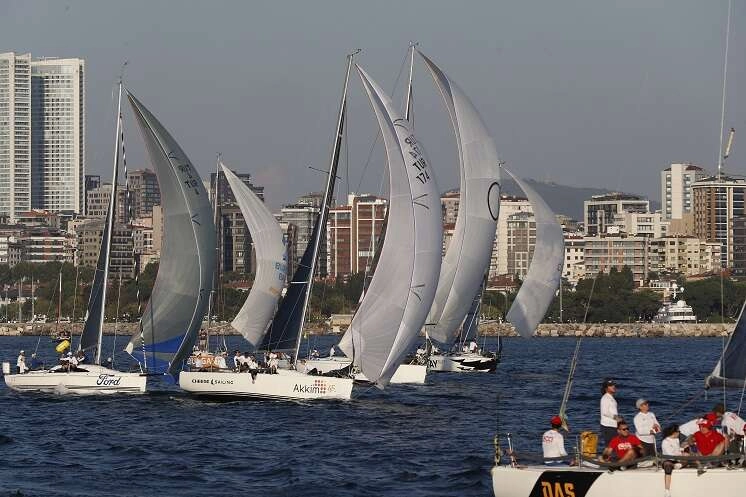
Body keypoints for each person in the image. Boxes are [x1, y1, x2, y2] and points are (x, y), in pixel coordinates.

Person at [661, 424, 688, 497]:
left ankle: (678, 465)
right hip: (668, 459)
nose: (679, 433)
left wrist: (683, 449)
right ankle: (667, 490)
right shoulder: (665, 441)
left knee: (688, 457)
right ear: (674, 432)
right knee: (668, 465)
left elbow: (677, 450)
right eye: (678, 431)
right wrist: (681, 455)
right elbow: (670, 455)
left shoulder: (676, 440)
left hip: (677, 459)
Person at [599, 378, 621, 447]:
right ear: (606, 388)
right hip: (608, 426)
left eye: (614, 385)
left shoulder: (610, 398)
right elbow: (605, 412)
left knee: (612, 446)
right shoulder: (605, 398)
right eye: (611, 385)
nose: (613, 386)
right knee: (611, 446)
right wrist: (616, 417)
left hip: (612, 425)